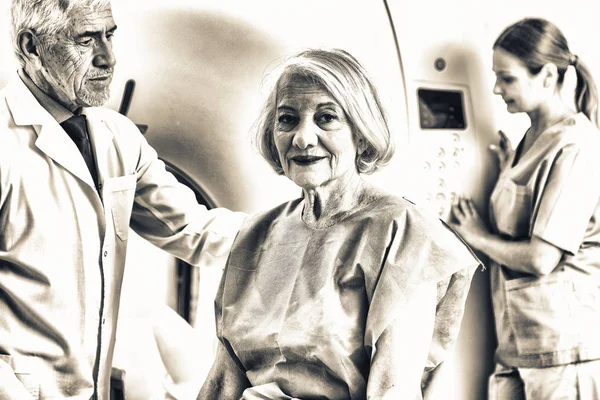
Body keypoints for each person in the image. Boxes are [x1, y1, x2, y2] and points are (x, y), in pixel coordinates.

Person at [199, 48, 481, 399]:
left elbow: (392, 390)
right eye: (287, 119)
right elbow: (223, 382)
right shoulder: (253, 236)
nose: (302, 137)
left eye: (326, 118)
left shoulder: (404, 234)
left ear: (361, 133)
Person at [0, 0, 245, 398]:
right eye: (86, 40)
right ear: (32, 47)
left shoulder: (119, 136)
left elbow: (192, 229)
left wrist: (305, 230)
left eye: (110, 35)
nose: (108, 58)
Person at [449, 18, 600, 399]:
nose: (496, 89)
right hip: (519, 344)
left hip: (565, 351)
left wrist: (476, 236)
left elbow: (540, 258)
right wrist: (506, 170)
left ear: (547, 76)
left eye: (508, 78)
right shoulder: (526, 142)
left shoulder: (577, 147)